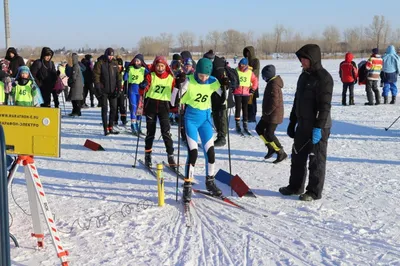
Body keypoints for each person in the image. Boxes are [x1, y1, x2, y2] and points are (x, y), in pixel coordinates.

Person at [280, 44, 333, 201]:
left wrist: (318, 127)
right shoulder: (303, 76)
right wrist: (292, 121)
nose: (302, 62)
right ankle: (295, 187)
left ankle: (313, 192)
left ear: (313, 59)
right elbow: (297, 100)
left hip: (319, 126)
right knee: (297, 156)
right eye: (301, 59)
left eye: (304, 59)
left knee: (316, 159)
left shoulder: (324, 78)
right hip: (303, 124)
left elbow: (325, 107)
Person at [178, 58, 230, 203]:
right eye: (201, 75)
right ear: (196, 72)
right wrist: (178, 85)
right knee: (193, 152)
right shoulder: (188, 80)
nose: (204, 78)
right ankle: (187, 184)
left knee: (210, 152)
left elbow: (224, 100)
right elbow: (173, 100)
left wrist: (226, 86)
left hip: (206, 120)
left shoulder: (212, 81)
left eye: (206, 76)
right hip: (191, 120)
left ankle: (210, 181)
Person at [139, 56, 179, 169]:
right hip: (151, 106)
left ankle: (170, 157)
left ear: (165, 66)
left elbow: (175, 91)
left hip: (164, 107)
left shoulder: (170, 78)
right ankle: (148, 155)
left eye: (162, 66)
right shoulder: (150, 76)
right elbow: (142, 90)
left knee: (166, 132)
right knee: (150, 133)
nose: (160, 68)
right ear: (155, 66)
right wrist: (142, 87)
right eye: (158, 66)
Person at [255, 65, 287, 163]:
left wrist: (267, 112)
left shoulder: (273, 84)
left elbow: (274, 101)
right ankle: (270, 147)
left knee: (269, 133)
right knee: (259, 129)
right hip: (268, 115)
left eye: (264, 76)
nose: (263, 78)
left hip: (274, 115)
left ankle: (281, 152)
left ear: (268, 76)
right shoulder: (271, 82)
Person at [93, 48, 122, 136]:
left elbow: (118, 76)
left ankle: (110, 127)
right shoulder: (100, 62)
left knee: (114, 108)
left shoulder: (115, 63)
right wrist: (98, 86)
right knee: (104, 109)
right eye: (109, 55)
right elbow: (96, 75)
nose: (110, 57)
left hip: (113, 90)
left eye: (112, 55)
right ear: (106, 54)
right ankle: (105, 128)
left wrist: (119, 87)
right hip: (103, 90)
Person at [125, 53, 149, 135]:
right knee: (133, 107)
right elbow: (125, 78)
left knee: (140, 108)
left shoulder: (143, 69)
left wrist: (145, 82)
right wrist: (126, 70)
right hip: (132, 89)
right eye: (135, 61)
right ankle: (133, 124)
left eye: (138, 61)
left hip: (140, 90)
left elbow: (149, 77)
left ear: (141, 62)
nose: (136, 63)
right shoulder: (130, 68)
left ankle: (138, 125)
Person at [233, 58, 258, 133]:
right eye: (240, 64)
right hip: (237, 92)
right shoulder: (236, 70)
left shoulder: (250, 72)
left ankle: (245, 125)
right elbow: (231, 78)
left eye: (243, 65)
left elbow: (255, 81)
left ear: (246, 65)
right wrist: (232, 87)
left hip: (246, 93)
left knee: (245, 108)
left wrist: (253, 89)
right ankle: (237, 125)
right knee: (238, 108)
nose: (241, 66)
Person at [243, 46, 260, 122]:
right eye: (246, 52)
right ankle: (246, 116)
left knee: (252, 101)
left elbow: (256, 71)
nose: (247, 54)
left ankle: (252, 117)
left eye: (248, 52)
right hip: (245, 84)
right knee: (246, 101)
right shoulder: (245, 61)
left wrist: (248, 70)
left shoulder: (256, 61)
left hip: (253, 84)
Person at [114, 56, 127, 126]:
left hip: (121, 90)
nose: (119, 66)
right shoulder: (113, 71)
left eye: (120, 65)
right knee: (115, 106)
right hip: (114, 90)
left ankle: (123, 119)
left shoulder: (123, 71)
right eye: (117, 65)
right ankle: (115, 119)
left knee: (122, 106)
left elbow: (126, 80)